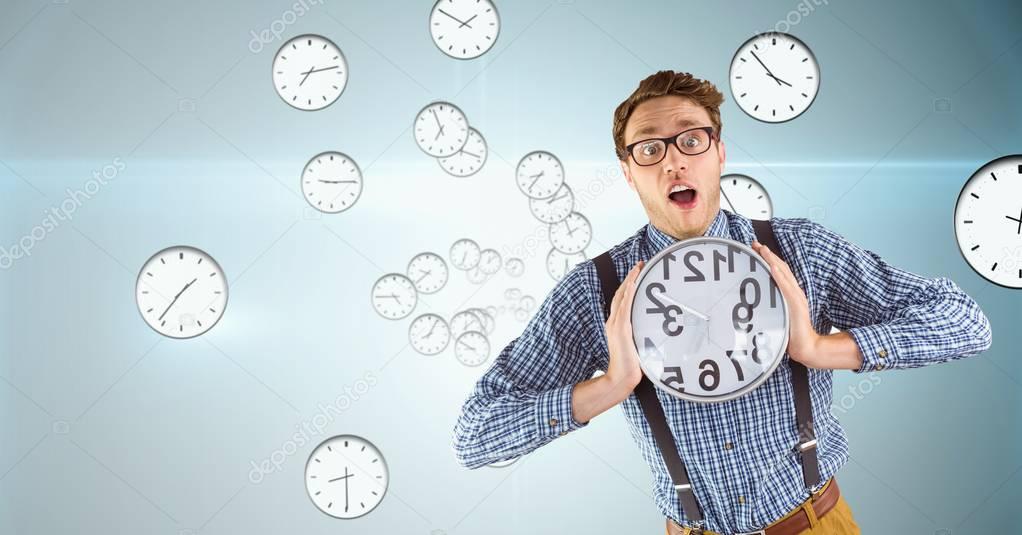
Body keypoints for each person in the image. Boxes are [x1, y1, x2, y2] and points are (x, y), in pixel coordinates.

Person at [451, 70, 993, 535]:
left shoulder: (799, 252)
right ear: (628, 171)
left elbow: (964, 320)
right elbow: (476, 434)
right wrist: (610, 386)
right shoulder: (598, 291)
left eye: (691, 140)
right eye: (649, 148)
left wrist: (817, 347)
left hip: (815, 523)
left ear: (719, 152)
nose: (673, 162)